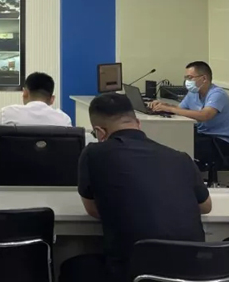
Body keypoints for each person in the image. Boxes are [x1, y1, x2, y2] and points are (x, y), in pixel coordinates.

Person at [60, 93, 211, 282]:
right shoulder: (180, 157)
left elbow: (93, 210)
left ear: (99, 132)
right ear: (138, 123)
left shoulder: (93, 153)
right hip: (194, 272)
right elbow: (205, 206)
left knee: (73, 267)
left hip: (135, 272)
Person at [150, 61, 229, 164]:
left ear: (204, 78)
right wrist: (165, 106)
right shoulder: (194, 93)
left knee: (178, 144)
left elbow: (204, 115)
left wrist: (171, 109)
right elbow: (180, 109)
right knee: (170, 136)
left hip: (219, 141)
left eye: (190, 78)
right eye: (186, 78)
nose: (187, 81)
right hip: (202, 134)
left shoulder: (217, 94)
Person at [0, 72, 72, 156]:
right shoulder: (64, 120)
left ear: (25, 93)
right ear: (52, 99)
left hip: (12, 173)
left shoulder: (7, 114)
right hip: (52, 173)